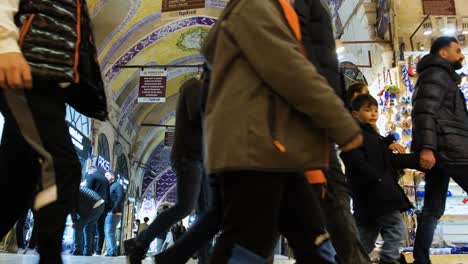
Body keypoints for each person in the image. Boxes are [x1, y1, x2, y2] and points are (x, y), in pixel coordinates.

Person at [200, 0, 363, 263]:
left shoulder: (262, 9)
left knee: (313, 240)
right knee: (248, 245)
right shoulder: (255, 7)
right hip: (257, 147)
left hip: (276, 148)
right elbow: (290, 70)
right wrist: (340, 122)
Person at [0, 1, 107, 263]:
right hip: (25, 74)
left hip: (49, 83)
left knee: (16, 183)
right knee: (62, 166)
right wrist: (5, 45)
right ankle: (50, 256)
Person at [294, 1, 371, 263]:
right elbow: (309, 65)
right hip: (311, 118)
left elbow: (313, 65)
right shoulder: (301, 7)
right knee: (331, 197)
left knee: (324, 199)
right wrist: (336, 119)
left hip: (307, 117)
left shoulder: (300, 7)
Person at [125, 78, 207, 264]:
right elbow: (199, 116)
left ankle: (205, 257)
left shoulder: (207, 91)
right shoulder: (194, 86)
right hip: (189, 156)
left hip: (202, 159)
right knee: (185, 207)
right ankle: (139, 242)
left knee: (207, 212)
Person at [341, 95, 420, 264]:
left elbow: (388, 160)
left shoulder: (373, 136)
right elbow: (353, 158)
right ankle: (388, 260)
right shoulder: (357, 135)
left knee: (367, 235)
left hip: (372, 193)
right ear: (355, 114)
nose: (373, 113)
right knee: (396, 228)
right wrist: (376, 178)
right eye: (368, 110)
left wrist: (416, 160)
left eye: (375, 110)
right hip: (376, 192)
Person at [411, 36, 468, 264]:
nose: (461, 55)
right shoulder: (437, 74)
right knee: (432, 210)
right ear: (443, 53)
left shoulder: (439, 76)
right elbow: (424, 112)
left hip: (443, 150)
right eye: (457, 50)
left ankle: (421, 259)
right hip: (450, 150)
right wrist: (426, 148)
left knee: (433, 209)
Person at [71, 186, 105, 256]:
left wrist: (74, 221)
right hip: (100, 204)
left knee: (77, 227)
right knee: (89, 228)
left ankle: (78, 251)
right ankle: (88, 251)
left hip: (94, 206)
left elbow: (72, 207)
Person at [85, 166, 109, 255]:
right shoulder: (105, 179)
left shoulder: (92, 176)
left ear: (90, 171)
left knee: (90, 226)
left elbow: (87, 191)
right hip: (104, 205)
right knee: (100, 229)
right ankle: (98, 251)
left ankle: (89, 250)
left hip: (95, 203)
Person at [104, 170, 124, 257]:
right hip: (110, 212)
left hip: (114, 212)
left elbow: (120, 197)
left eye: (107, 175)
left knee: (109, 231)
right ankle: (110, 251)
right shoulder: (110, 186)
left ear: (112, 177)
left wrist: (114, 210)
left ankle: (112, 251)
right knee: (108, 231)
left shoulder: (117, 185)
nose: (105, 177)